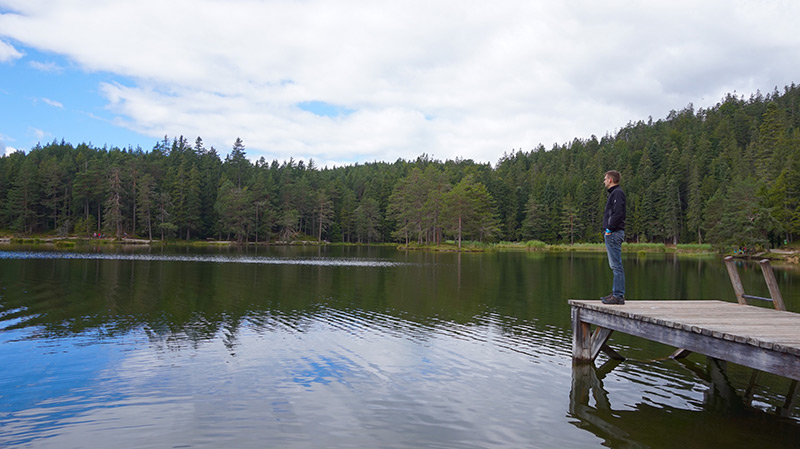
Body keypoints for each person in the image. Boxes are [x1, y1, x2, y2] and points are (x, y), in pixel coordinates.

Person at [601, 170, 626, 305]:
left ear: (610, 180)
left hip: (614, 233)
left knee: (616, 265)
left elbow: (618, 214)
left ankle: (618, 295)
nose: (604, 181)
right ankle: (616, 293)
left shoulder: (617, 193)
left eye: (605, 179)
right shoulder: (614, 194)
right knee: (615, 265)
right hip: (613, 233)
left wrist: (609, 229)